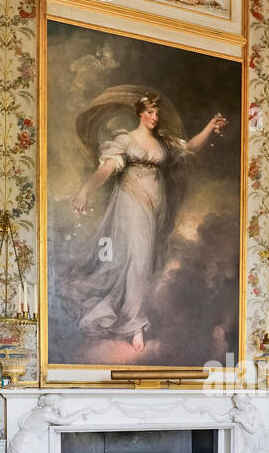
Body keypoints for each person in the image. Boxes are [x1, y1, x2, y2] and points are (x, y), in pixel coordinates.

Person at [69, 93, 226, 352]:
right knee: (137, 260)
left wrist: (209, 126)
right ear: (140, 113)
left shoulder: (164, 143)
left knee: (147, 261)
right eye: (150, 112)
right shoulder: (125, 140)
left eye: (156, 113)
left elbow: (191, 147)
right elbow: (106, 170)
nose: (155, 117)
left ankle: (133, 315)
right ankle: (135, 324)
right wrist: (85, 190)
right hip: (130, 203)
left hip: (156, 207)